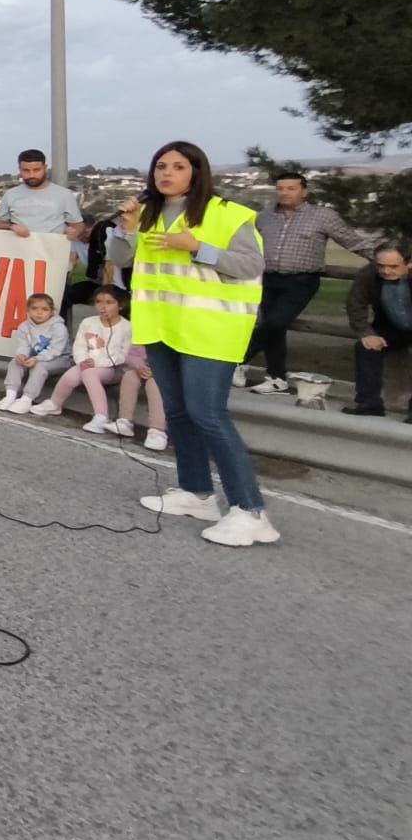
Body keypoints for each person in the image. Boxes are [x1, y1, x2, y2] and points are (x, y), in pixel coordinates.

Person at [107, 140, 275, 547]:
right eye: (160, 165)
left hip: (210, 329)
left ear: (196, 172)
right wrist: (126, 230)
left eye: (178, 166)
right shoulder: (146, 214)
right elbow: (118, 258)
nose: (166, 173)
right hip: (163, 326)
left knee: (208, 414)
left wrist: (199, 247)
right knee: (178, 412)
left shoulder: (228, 215)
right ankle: (197, 492)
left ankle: (250, 512)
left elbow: (251, 265)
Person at [242, 172, 377, 395]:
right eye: (281, 188)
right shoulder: (264, 218)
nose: (284, 193)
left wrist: (386, 261)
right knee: (271, 326)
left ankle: (237, 361)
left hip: (301, 281)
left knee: (275, 322)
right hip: (267, 279)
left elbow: (354, 242)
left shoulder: (323, 217)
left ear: (304, 192)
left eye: (291, 188)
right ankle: (277, 378)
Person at [32, 286, 134, 432]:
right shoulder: (88, 322)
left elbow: (124, 355)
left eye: (109, 302)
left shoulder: (127, 327)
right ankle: (54, 403)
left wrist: (97, 362)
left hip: (113, 368)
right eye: (98, 302)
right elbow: (79, 346)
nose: (102, 307)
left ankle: (102, 415)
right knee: (74, 372)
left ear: (121, 305)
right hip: (89, 364)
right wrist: (83, 360)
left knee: (89, 373)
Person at [342, 243, 412, 420]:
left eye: (394, 266)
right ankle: (369, 403)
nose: (386, 271)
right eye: (381, 266)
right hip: (390, 327)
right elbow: (355, 303)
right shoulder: (369, 274)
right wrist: (366, 333)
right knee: (366, 348)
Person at [0, 294, 71, 411]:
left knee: (39, 367)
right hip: (34, 358)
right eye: (34, 308)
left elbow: (55, 350)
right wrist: (22, 355)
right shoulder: (24, 327)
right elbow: (23, 345)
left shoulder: (58, 328)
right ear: (28, 310)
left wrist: (38, 359)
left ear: (51, 312)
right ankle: (10, 395)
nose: (39, 313)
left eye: (44, 309)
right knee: (15, 362)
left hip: (59, 360)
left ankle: (27, 399)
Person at [0, 150, 86, 242]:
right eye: (26, 171)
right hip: (19, 251)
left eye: (36, 170)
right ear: (19, 169)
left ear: (45, 168)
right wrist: (11, 227)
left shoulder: (64, 194)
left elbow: (77, 224)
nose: (31, 175)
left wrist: (75, 232)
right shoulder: (10, 194)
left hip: (53, 251)